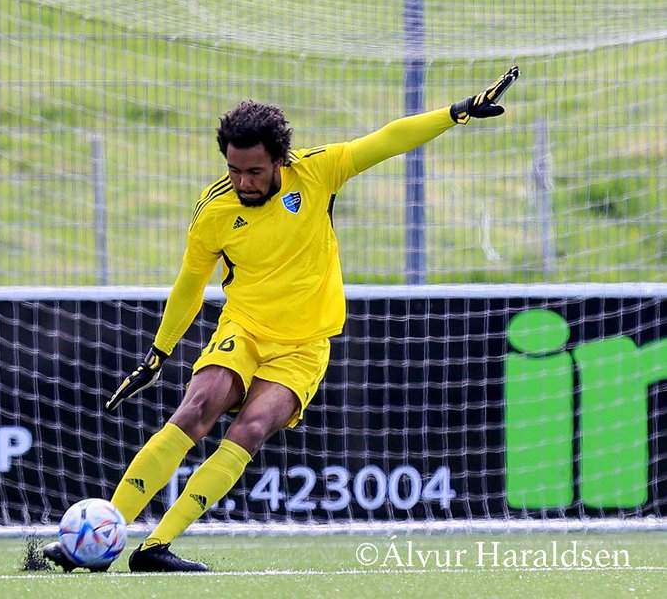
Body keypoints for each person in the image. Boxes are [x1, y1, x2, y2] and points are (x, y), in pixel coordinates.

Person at [45, 66, 520, 572]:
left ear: (279, 161)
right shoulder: (214, 211)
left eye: (253, 171)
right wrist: (158, 354)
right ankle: (99, 537)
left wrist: (455, 113)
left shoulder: (316, 173)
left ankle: (155, 547)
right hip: (244, 328)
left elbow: (385, 141)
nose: (242, 181)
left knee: (249, 429)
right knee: (197, 408)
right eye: (233, 169)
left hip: (304, 346)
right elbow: (189, 285)